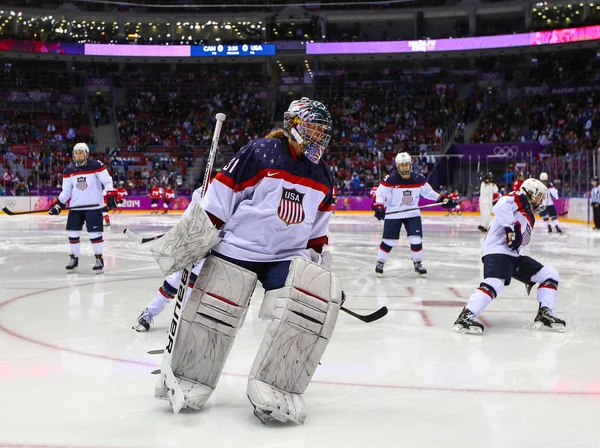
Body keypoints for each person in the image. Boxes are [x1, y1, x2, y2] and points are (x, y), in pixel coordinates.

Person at [152, 98, 342, 425]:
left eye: (323, 132)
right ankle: (190, 374)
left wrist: (318, 269)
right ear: (293, 125)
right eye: (313, 129)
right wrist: (196, 240)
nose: (319, 138)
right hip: (238, 250)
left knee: (304, 314)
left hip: (286, 257)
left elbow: (317, 232)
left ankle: (277, 385)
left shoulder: (323, 175)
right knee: (213, 314)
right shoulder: (261, 152)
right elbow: (220, 198)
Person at [452, 178, 566, 334]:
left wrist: (516, 234)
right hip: (497, 251)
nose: (541, 200)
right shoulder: (520, 197)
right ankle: (466, 316)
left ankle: (545, 314)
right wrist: (511, 230)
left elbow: (523, 240)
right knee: (495, 283)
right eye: (540, 196)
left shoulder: (529, 214)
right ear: (531, 192)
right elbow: (500, 205)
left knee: (550, 275)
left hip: (512, 255)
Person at [372, 152, 456, 276]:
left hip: (412, 213)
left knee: (416, 239)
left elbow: (428, 192)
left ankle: (417, 262)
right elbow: (380, 194)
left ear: (410, 164)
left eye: (407, 164)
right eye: (402, 165)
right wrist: (379, 206)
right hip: (393, 213)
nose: (405, 167)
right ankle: (380, 262)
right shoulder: (390, 179)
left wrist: (442, 199)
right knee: (388, 241)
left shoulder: (419, 178)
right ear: (397, 166)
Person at [49, 142, 115, 273]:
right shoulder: (69, 170)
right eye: (76, 153)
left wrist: (111, 195)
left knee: (94, 234)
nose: (78, 155)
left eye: (81, 152)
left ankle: (99, 259)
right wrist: (58, 204)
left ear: (86, 154)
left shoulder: (96, 165)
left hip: (94, 207)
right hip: (76, 207)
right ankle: (74, 258)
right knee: (73, 234)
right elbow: (66, 191)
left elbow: (107, 181)